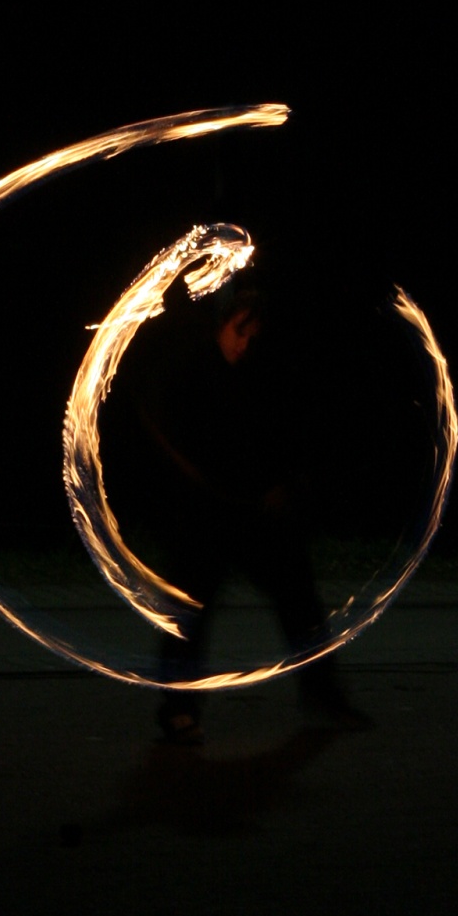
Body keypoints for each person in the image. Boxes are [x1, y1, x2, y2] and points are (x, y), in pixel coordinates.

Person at [101, 264, 371, 744]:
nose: (245, 343)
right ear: (220, 323)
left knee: (298, 596)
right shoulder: (189, 368)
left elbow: (282, 428)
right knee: (188, 612)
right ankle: (178, 709)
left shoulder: (258, 370)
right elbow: (155, 416)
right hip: (200, 516)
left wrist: (283, 483)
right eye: (238, 331)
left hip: (251, 510)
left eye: (252, 333)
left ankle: (324, 695)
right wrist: (181, 476)